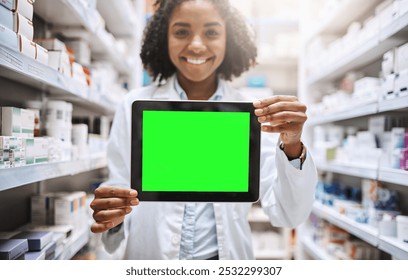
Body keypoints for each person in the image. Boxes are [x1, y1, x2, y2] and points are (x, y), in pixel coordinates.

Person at [90, 0, 317, 260]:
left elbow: (289, 213)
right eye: (182, 31)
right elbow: (121, 190)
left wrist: (292, 145)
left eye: (211, 32)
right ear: (164, 38)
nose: (196, 44)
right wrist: (113, 214)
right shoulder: (133, 106)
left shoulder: (251, 113)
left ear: (228, 39)